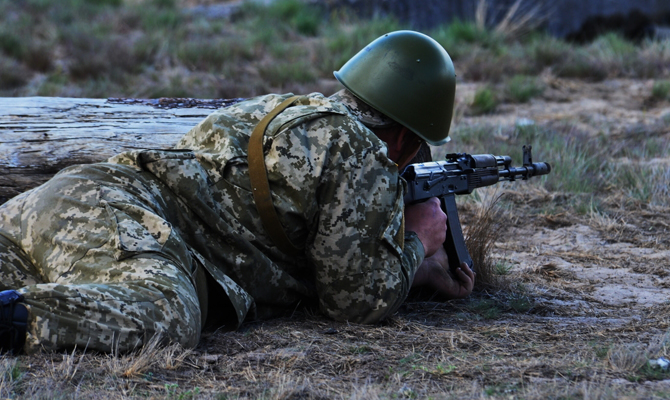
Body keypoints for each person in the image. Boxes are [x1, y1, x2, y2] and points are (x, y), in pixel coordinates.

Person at [0, 30, 475, 355]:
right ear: (408, 140)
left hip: (58, 206)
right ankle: (16, 318)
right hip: (117, 220)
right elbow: (354, 303)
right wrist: (418, 245)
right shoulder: (361, 150)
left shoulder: (283, 109)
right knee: (168, 312)